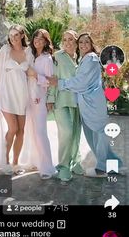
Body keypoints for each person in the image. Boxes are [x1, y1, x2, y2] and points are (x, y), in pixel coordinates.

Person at [47, 33, 123, 177]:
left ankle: (101, 169)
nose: (83, 44)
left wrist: (60, 83)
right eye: (81, 42)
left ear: (91, 44)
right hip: (86, 104)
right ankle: (114, 165)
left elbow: (81, 82)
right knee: (94, 136)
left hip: (93, 104)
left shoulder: (91, 58)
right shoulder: (81, 58)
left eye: (86, 42)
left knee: (98, 135)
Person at [0, 24, 30, 175]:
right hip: (6, 94)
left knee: (21, 131)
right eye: (11, 36)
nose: (13, 38)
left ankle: (15, 163)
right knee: (12, 128)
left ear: (22, 35)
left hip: (22, 95)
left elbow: (31, 73)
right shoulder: (5, 50)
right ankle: (5, 161)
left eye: (16, 35)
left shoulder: (28, 52)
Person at [46, 30, 84, 182]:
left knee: (75, 134)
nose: (67, 42)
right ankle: (63, 166)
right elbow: (52, 79)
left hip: (77, 102)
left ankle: (75, 162)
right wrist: (50, 98)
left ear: (76, 41)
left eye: (70, 39)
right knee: (66, 132)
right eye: (65, 39)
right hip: (61, 101)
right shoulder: (57, 56)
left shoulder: (81, 58)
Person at [26, 29, 56, 180]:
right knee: (32, 131)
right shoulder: (31, 56)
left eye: (41, 38)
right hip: (29, 98)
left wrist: (36, 75)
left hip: (40, 99)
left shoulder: (47, 59)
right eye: (35, 37)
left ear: (45, 41)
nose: (37, 40)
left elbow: (50, 81)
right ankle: (36, 161)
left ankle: (47, 167)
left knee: (40, 132)